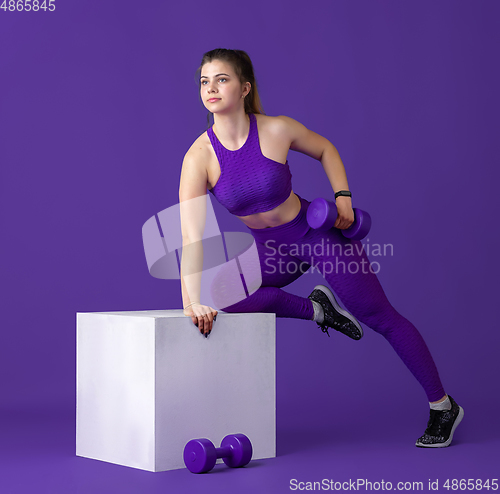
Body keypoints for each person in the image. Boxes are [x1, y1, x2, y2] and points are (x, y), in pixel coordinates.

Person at [178, 48, 464, 448]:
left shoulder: (276, 129)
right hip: (269, 251)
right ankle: (317, 309)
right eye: (205, 81)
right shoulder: (198, 157)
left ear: (244, 88)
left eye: (221, 79)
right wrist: (191, 301)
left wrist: (342, 196)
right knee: (219, 295)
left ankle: (442, 406)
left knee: (378, 315)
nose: (211, 88)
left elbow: (326, 148)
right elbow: (192, 237)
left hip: (314, 235)